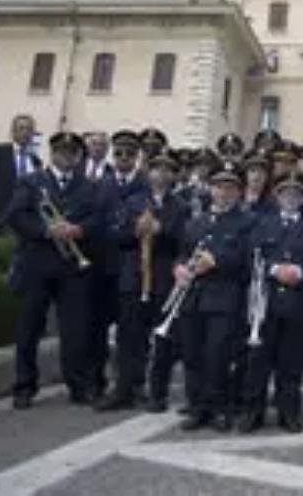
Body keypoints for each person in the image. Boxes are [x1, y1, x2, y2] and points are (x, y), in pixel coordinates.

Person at [5, 131, 98, 408]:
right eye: (60, 151)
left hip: (73, 267)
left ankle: (78, 385)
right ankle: (24, 386)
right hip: (37, 264)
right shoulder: (31, 182)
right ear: (52, 153)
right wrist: (46, 230)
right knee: (29, 328)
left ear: (79, 156)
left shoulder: (89, 187)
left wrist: (79, 229)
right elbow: (16, 216)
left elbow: (98, 219)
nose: (65, 156)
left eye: (71, 152)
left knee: (75, 330)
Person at [96, 148, 187, 411]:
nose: (161, 174)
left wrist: (162, 230)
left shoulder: (179, 206)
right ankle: (124, 388)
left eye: (167, 170)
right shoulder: (134, 201)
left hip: (162, 279)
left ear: (173, 175)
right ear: (149, 173)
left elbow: (184, 241)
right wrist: (135, 231)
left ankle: (157, 393)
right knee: (128, 336)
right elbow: (117, 238)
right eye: (156, 169)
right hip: (133, 277)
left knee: (161, 341)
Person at [239, 174, 303, 433]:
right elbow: (251, 257)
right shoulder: (262, 224)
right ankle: (252, 412)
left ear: (302, 199)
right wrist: (274, 269)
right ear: (277, 197)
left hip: (297, 304)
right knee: (258, 362)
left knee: (291, 363)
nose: (290, 198)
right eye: (285, 193)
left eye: (296, 194)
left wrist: (300, 271)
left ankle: (289, 413)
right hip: (265, 304)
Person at [178, 160, 256, 432]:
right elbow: (183, 252)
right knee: (192, 353)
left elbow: (248, 259)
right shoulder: (195, 222)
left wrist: (218, 260)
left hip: (225, 297)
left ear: (239, 192)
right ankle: (198, 407)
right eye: (219, 186)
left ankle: (221, 407)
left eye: (230, 187)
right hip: (193, 296)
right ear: (210, 189)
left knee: (218, 355)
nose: (224, 192)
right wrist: (178, 268)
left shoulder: (247, 222)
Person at [88, 129, 148, 399]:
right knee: (97, 327)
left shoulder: (145, 186)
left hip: (131, 267)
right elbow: (94, 220)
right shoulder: (102, 184)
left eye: (130, 154)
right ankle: (97, 381)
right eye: (119, 153)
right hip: (103, 266)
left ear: (137, 157)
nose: (124, 158)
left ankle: (131, 381)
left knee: (130, 330)